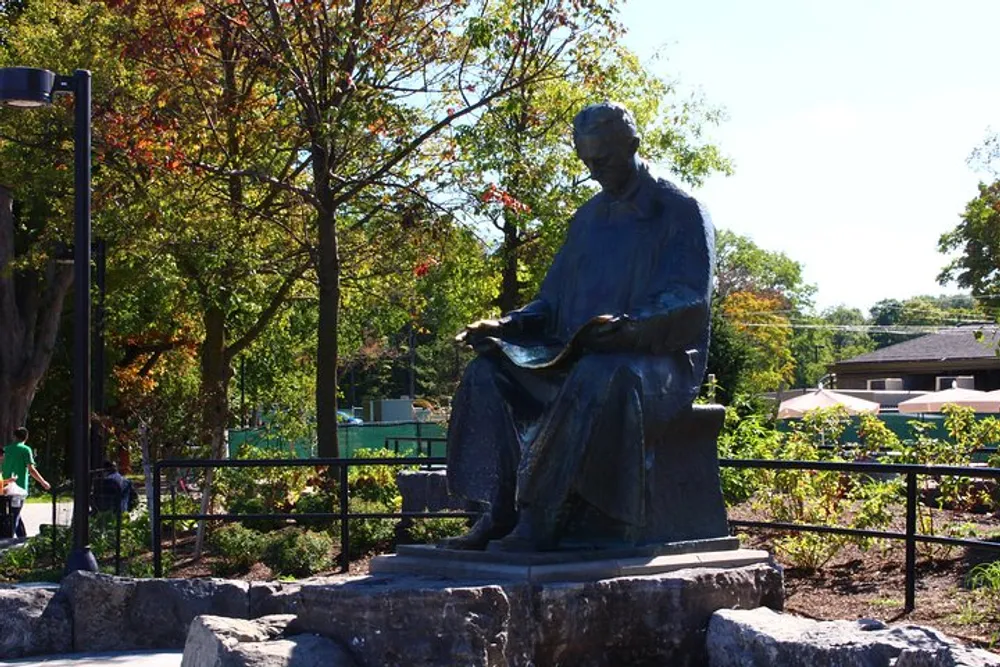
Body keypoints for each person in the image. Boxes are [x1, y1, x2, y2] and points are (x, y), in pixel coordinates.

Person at [443, 102, 714, 551]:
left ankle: (540, 517)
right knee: (486, 373)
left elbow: (689, 302)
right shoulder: (587, 219)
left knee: (601, 374)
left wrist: (628, 328)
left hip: (658, 364)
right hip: (578, 356)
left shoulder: (681, 211)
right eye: (587, 162)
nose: (594, 172)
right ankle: (498, 511)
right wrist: (506, 326)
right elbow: (550, 302)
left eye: (603, 160)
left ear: (633, 145)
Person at [0, 427, 51, 539]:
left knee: (13, 513)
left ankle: (22, 536)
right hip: (19, 489)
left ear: (14, 436)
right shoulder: (25, 450)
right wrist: (43, 482)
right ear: (26, 437)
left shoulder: (6, 449)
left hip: (5, 487)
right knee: (15, 514)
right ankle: (7, 540)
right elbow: (31, 470)